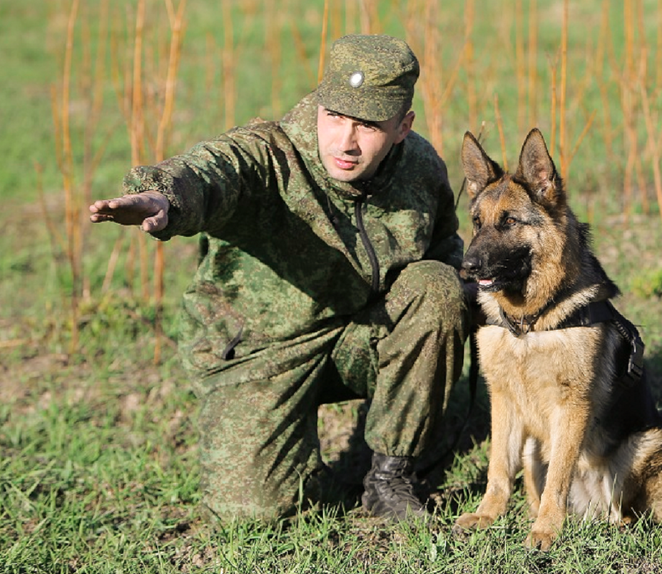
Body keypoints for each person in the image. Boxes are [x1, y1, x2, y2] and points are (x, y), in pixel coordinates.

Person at [89, 35, 468, 523]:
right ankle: (284, 444)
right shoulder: (269, 154)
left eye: (368, 125)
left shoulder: (420, 167)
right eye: (334, 116)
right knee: (250, 514)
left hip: (355, 336)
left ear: (402, 127)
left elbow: (444, 253)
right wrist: (165, 199)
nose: (346, 143)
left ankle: (390, 477)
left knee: (437, 287)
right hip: (260, 351)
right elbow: (213, 170)